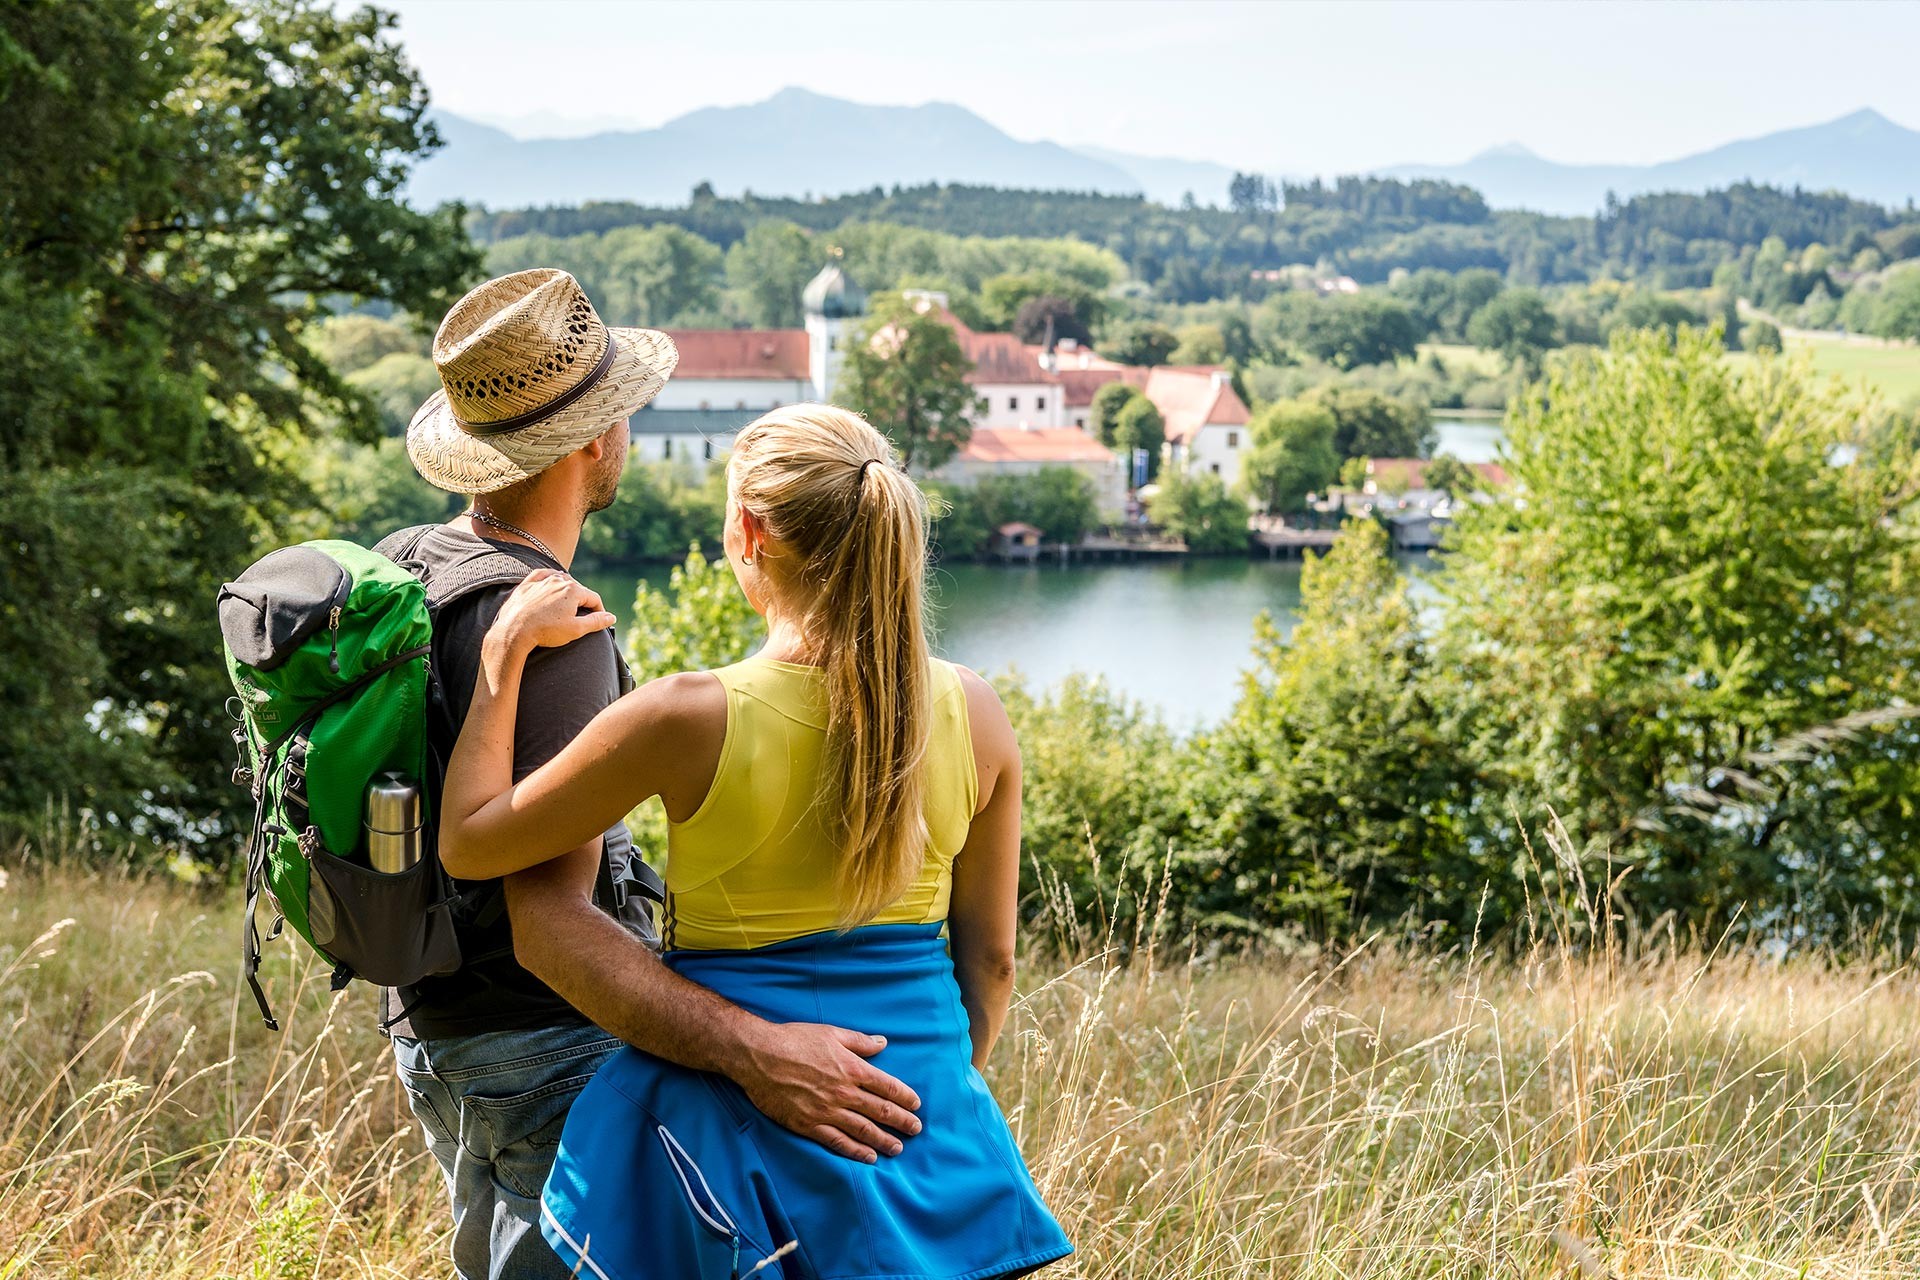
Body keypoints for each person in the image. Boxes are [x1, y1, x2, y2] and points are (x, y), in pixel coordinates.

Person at [437, 404, 1074, 1280]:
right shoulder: (978, 710)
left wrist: (504, 657)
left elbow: (471, 843)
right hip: (924, 1120)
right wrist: (934, 1096)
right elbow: (992, 961)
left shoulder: (687, 715)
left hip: (734, 1136)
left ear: (748, 531)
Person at [389, 270, 925, 1280]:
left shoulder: (415, 562)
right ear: (596, 438)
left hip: (435, 1032)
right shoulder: (562, 630)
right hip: (547, 1051)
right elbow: (551, 919)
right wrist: (751, 1049)